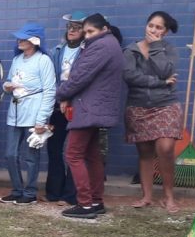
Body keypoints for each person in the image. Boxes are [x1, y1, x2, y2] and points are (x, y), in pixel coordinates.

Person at [56, 13, 125, 219]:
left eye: (90, 31)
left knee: (73, 154)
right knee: (92, 155)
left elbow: (79, 76)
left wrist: (61, 95)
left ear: (104, 29)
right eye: (85, 32)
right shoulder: (110, 44)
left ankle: (85, 204)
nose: (86, 36)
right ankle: (96, 201)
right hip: (97, 107)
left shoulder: (101, 46)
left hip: (89, 108)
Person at [123, 11, 182, 213]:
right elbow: (130, 77)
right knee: (145, 152)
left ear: (165, 32)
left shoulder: (169, 50)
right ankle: (147, 196)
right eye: (151, 25)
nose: (153, 30)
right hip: (138, 105)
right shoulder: (131, 50)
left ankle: (169, 196)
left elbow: (166, 71)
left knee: (165, 148)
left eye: (159, 27)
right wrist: (160, 83)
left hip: (166, 104)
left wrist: (156, 48)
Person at [0, 22, 56, 205]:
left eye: (24, 38)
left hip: (33, 112)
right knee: (10, 154)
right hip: (15, 111)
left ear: (35, 40)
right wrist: (7, 87)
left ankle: (30, 192)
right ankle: (17, 189)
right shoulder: (17, 59)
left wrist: (41, 119)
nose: (19, 40)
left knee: (31, 156)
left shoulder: (43, 60)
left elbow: (49, 90)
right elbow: (10, 81)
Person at [45, 12, 85, 205]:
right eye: (70, 26)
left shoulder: (87, 51)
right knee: (54, 148)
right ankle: (54, 191)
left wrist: (68, 97)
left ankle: (70, 195)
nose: (72, 30)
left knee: (74, 150)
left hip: (77, 104)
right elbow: (51, 78)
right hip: (56, 104)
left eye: (77, 27)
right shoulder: (57, 50)